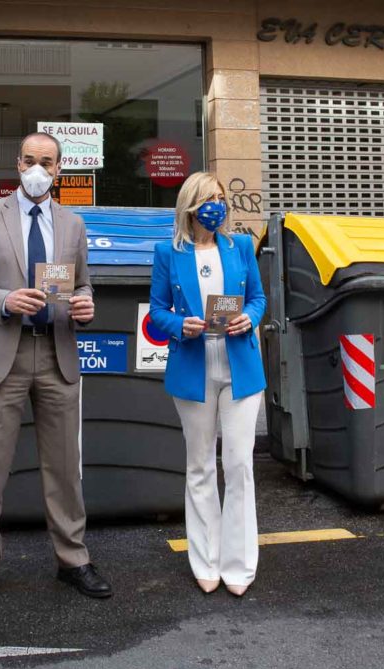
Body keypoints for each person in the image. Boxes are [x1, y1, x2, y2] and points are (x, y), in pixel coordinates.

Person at [0, 132, 111, 608]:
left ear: (59, 170)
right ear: (17, 164)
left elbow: (82, 284)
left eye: (47, 162)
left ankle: (73, 560)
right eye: (30, 160)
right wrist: (4, 300)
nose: (38, 168)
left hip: (57, 352)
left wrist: (85, 305)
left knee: (64, 468)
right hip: (5, 351)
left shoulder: (73, 223)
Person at [149, 172, 266, 596]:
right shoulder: (168, 252)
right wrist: (182, 325)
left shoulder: (241, 247)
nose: (218, 204)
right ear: (191, 205)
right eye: (210, 198)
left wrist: (249, 318)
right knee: (200, 466)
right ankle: (205, 560)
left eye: (221, 197)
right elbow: (157, 311)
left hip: (240, 368)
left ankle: (239, 564)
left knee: (238, 466)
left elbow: (258, 297)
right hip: (194, 368)